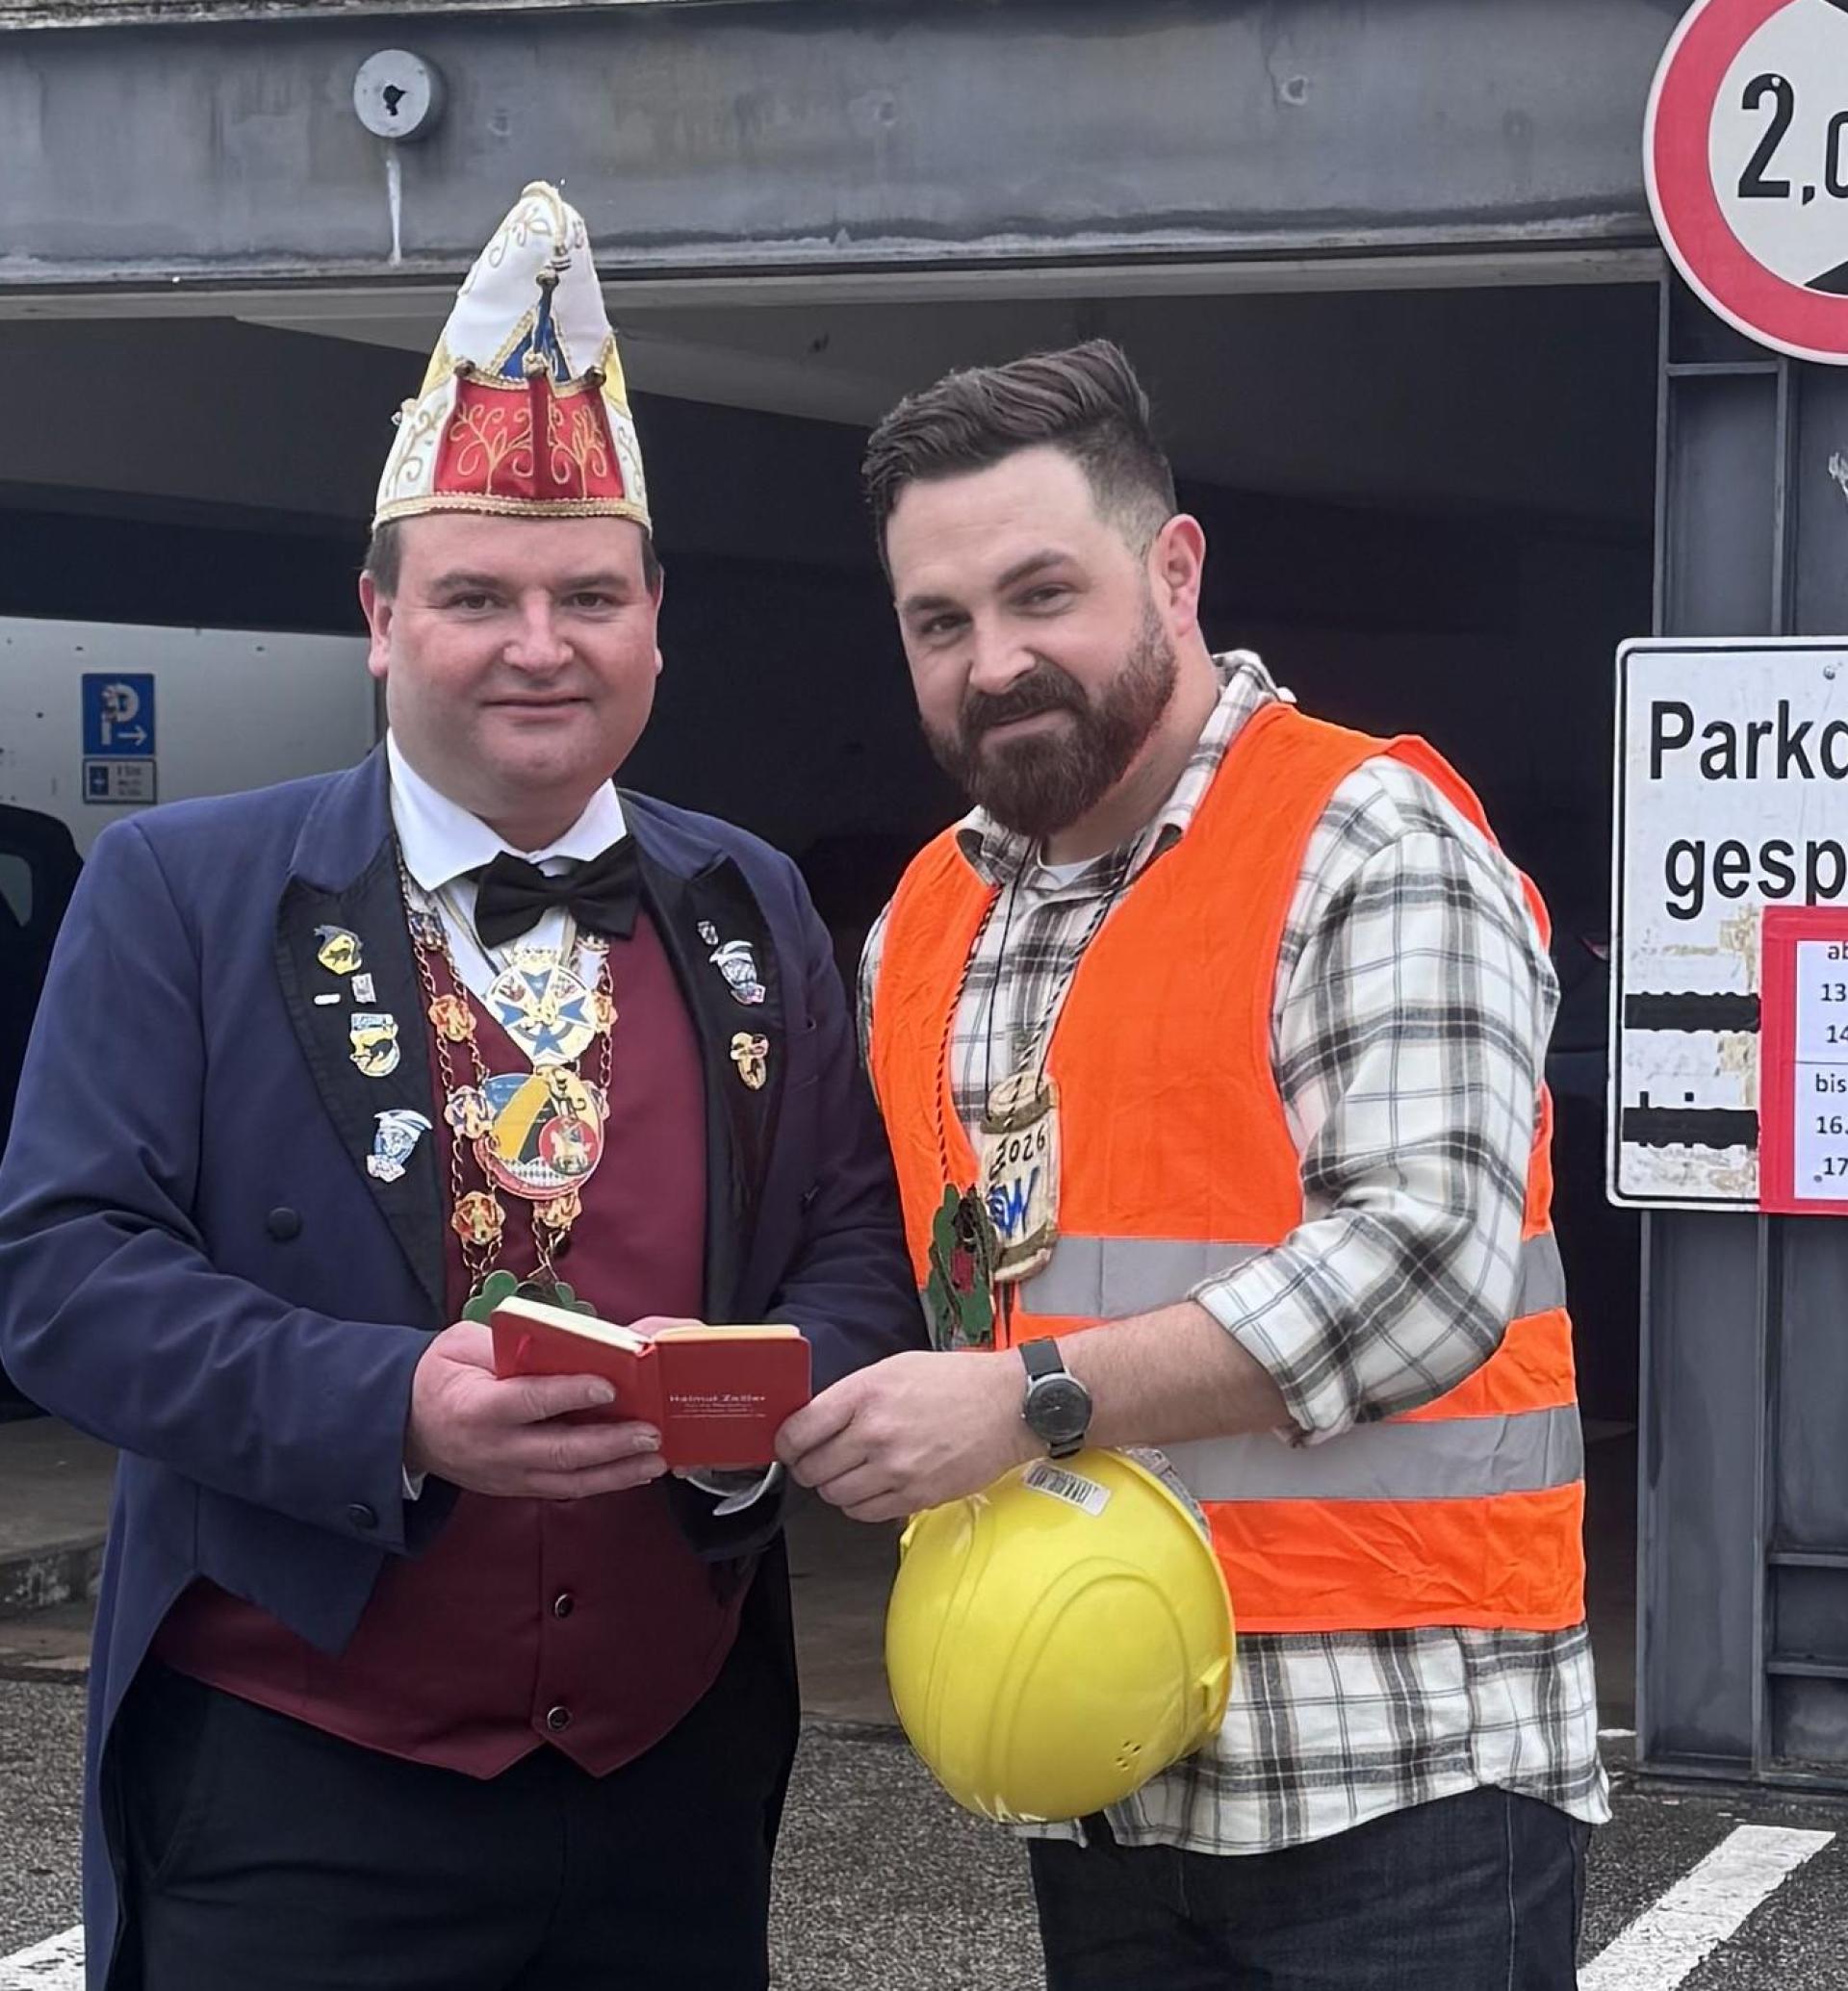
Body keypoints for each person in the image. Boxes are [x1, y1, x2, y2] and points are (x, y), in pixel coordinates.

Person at [0, 183, 920, 1991]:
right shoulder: (181, 890)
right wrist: (390, 1407)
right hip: (295, 1776)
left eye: (589, 595)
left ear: (656, 619)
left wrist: (755, 1395)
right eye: (477, 595)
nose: (538, 642)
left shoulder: (750, 901)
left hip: (671, 1778)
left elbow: (858, 1244)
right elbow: (64, 1274)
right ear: (378, 616)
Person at [778, 341, 1606, 1988]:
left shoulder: (1366, 839)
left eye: (1042, 594)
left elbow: (1421, 1266)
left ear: (1174, 569)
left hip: (1400, 1775)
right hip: (1097, 1757)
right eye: (939, 623)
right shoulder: (928, 918)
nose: (995, 661)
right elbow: (921, 1267)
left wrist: (1027, 1402)